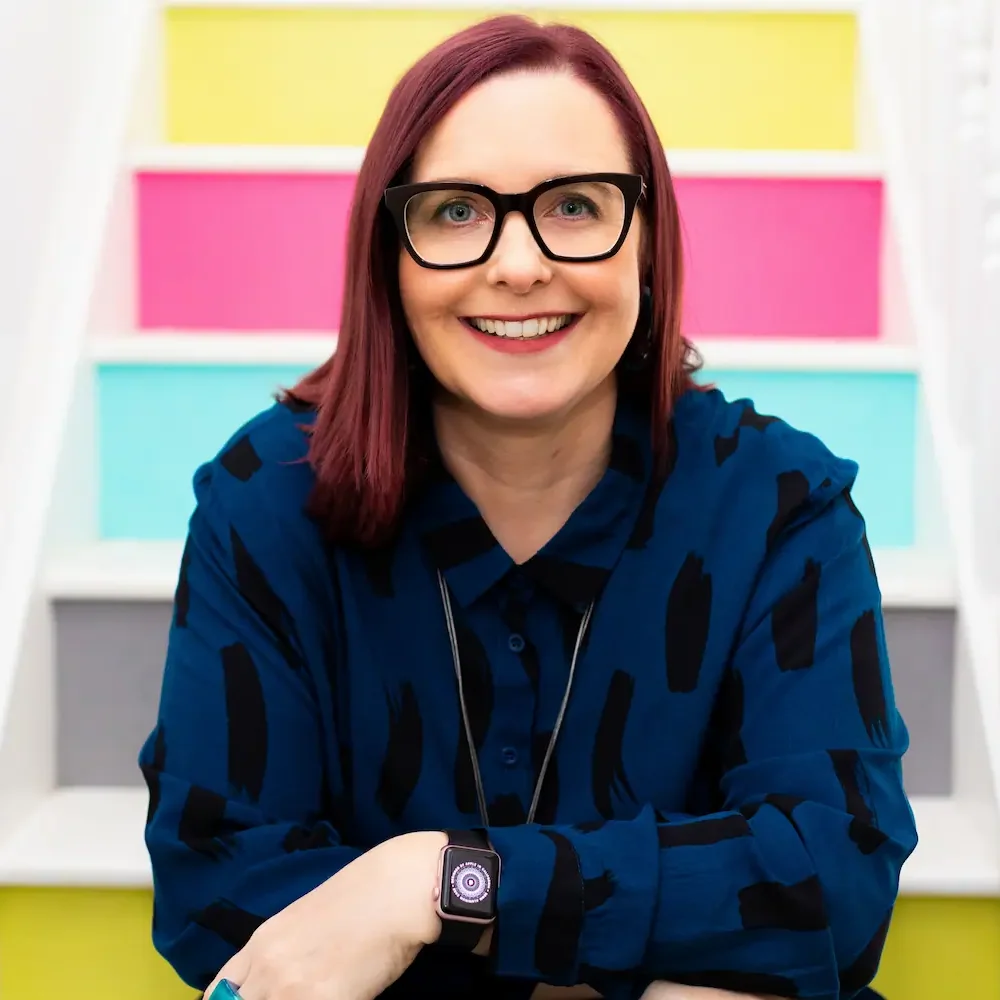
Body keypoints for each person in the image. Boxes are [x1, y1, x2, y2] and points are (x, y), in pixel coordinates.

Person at [138, 14, 916, 1000]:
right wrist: (650, 968)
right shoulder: (265, 502)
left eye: (577, 206)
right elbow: (224, 899)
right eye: (456, 211)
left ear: (646, 245)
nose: (516, 264)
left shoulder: (777, 505)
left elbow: (828, 888)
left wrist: (430, 885)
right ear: (390, 254)